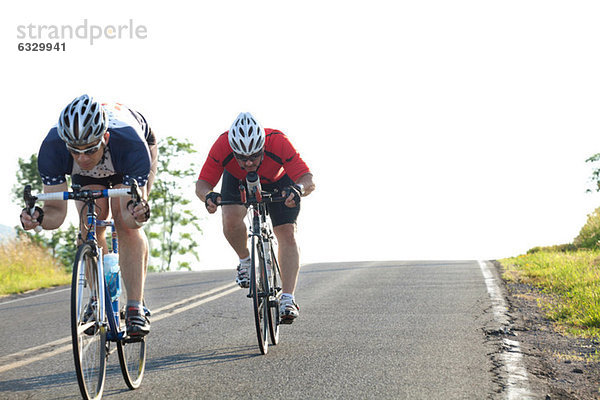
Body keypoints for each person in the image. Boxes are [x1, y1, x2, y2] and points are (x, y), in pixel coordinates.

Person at [19, 94, 157, 337]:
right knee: (88, 225)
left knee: (126, 224)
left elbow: (131, 217)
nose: (82, 158)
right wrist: (38, 217)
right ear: (66, 144)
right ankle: (97, 300)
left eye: (89, 150)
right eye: (75, 151)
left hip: (129, 157)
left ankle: (136, 306)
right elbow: (56, 214)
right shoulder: (53, 148)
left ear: (104, 137)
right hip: (94, 173)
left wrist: (139, 211)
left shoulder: (130, 143)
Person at [196, 112, 315, 323]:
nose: (249, 162)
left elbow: (307, 179)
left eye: (254, 156)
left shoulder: (278, 141)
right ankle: (245, 262)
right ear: (233, 151)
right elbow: (202, 185)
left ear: (263, 147)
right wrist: (209, 197)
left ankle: (287, 299)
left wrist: (298, 190)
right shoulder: (222, 146)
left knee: (286, 232)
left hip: (279, 181)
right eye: (242, 157)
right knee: (230, 216)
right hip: (238, 180)